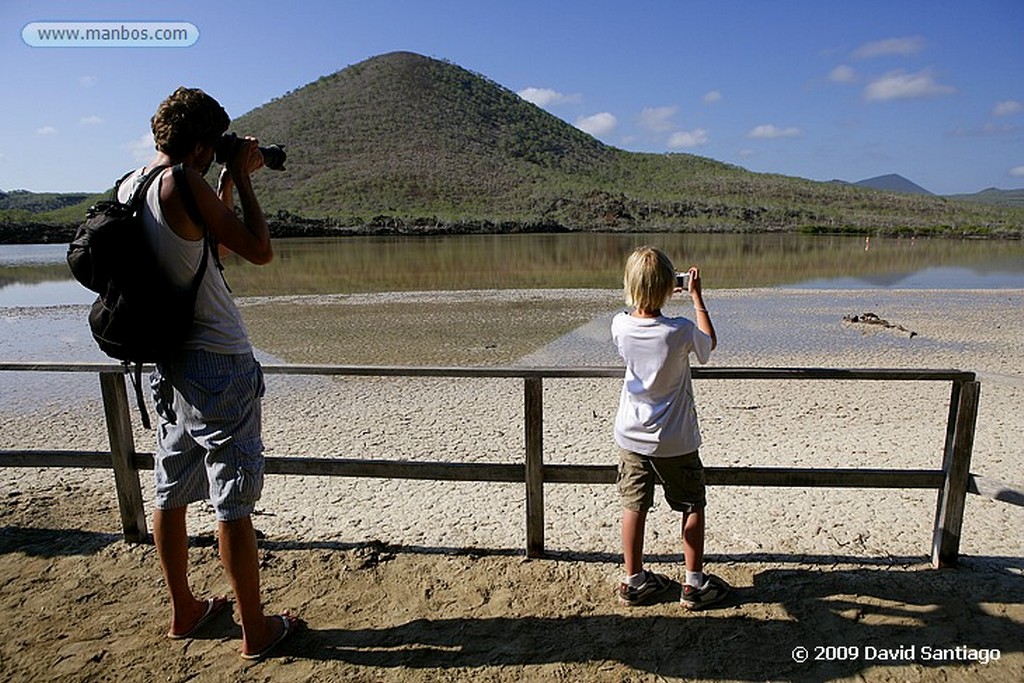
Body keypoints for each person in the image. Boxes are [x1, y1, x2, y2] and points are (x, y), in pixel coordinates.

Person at [118, 86, 299, 659]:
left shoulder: (133, 184)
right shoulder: (184, 182)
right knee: (233, 500)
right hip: (218, 360)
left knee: (170, 488)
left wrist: (218, 182)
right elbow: (259, 250)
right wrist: (243, 178)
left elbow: (198, 253)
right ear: (201, 143)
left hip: (167, 360)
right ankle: (256, 630)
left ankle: (185, 611)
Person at [611, 246, 731, 610]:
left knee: (634, 505)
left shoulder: (619, 325)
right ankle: (693, 584)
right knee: (692, 503)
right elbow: (709, 346)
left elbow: (635, 327)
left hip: (631, 433)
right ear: (669, 287)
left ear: (630, 286)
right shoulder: (679, 331)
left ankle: (635, 580)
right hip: (675, 438)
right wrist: (697, 297)